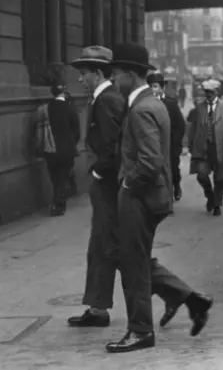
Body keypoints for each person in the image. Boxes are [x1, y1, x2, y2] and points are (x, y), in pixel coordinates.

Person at [106, 42, 212, 354]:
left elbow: (150, 162)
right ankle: (190, 299)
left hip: (139, 197)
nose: (113, 81)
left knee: (133, 265)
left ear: (129, 75)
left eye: (115, 75)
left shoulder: (141, 110)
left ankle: (140, 330)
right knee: (128, 256)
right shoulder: (153, 104)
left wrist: (128, 185)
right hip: (150, 196)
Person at [67, 45, 126, 328]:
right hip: (106, 185)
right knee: (103, 246)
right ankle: (98, 307)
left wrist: (101, 172)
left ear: (98, 73)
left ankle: (183, 295)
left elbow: (115, 144)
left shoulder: (107, 100)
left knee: (108, 246)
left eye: (84, 73)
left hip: (108, 186)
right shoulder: (103, 98)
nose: (80, 79)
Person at [188, 79, 223, 216]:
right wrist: (190, 146)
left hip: (221, 147)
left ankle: (217, 204)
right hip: (203, 149)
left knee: (219, 177)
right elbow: (193, 128)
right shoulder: (199, 108)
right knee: (201, 174)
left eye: (211, 92)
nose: (208, 94)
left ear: (217, 92)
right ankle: (210, 195)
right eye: (206, 92)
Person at [33, 83, 81, 216]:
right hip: (67, 150)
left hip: (50, 149)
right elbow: (76, 130)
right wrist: (72, 143)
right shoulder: (70, 108)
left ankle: (57, 202)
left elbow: (37, 128)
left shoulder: (45, 108)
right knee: (63, 177)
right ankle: (58, 204)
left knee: (55, 177)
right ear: (64, 92)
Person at [147, 72, 186, 201]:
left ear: (162, 88)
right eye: (150, 87)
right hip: (153, 143)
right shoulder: (145, 103)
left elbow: (180, 125)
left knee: (173, 168)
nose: (153, 90)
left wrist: (175, 143)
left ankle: (176, 186)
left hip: (170, 143)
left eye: (155, 86)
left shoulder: (171, 104)